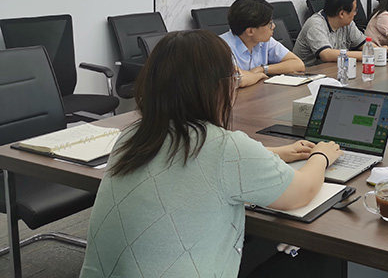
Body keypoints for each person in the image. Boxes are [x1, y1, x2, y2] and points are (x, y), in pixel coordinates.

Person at [80, 30, 342, 278]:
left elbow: (188, 160)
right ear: (219, 88)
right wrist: (322, 155)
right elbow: (301, 191)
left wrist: (274, 152)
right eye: (234, 80)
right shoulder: (225, 148)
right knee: (319, 258)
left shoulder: (131, 135)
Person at [220, 0, 305, 87]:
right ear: (250, 31)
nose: (273, 26)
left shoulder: (264, 41)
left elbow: (298, 64)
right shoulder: (221, 47)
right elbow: (237, 80)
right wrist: (259, 75)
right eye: (269, 24)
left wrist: (262, 69)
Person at [293, 0, 372, 65]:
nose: (355, 14)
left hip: (333, 68)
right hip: (308, 71)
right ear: (342, 14)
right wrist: (365, 55)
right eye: (354, 10)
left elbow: (365, 44)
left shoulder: (347, 23)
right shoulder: (315, 25)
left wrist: (376, 51)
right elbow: (326, 55)